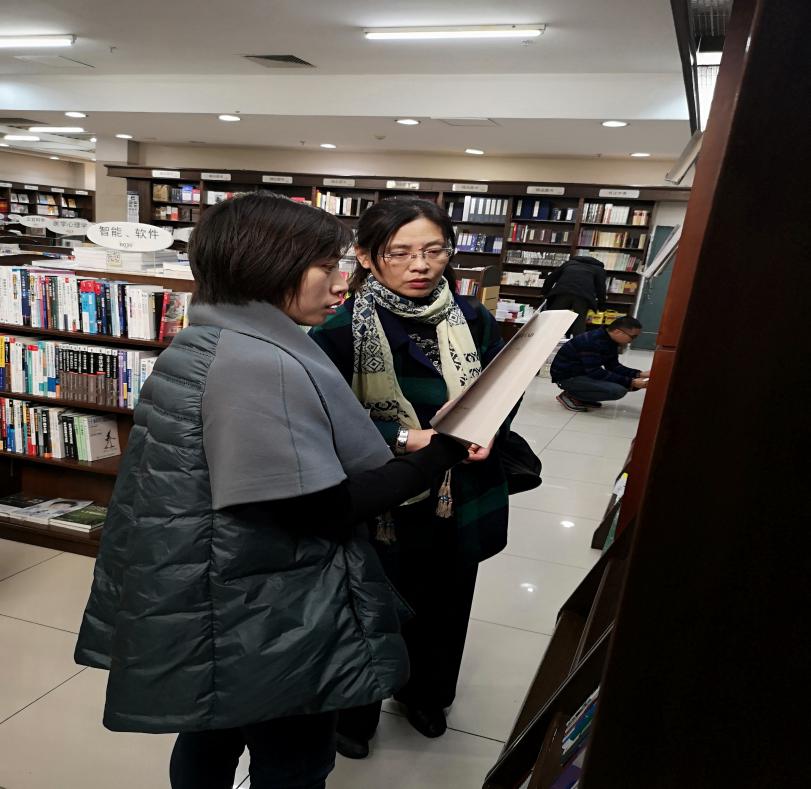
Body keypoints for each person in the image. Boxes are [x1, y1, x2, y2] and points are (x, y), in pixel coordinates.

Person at [73, 193, 472, 789]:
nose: (341, 283)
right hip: (263, 603)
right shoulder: (260, 361)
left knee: (211, 726)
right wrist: (440, 452)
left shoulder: (209, 333)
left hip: (216, 585)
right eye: (326, 266)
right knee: (295, 756)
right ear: (272, 266)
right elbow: (323, 509)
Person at [310, 197, 511, 759]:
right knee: (367, 604)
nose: (419, 265)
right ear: (368, 259)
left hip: (458, 489)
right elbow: (323, 415)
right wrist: (400, 438)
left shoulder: (474, 318)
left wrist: (491, 427)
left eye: (433, 250)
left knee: (447, 600)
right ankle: (355, 711)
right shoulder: (339, 326)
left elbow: (503, 386)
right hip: (379, 496)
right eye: (399, 253)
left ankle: (427, 695)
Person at [551, 315, 651, 412]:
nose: (632, 341)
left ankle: (581, 396)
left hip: (583, 373)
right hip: (567, 377)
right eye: (633, 337)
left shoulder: (610, 340)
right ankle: (570, 395)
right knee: (618, 390)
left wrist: (640, 374)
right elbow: (595, 372)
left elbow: (613, 366)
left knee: (631, 385)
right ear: (618, 332)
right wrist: (631, 381)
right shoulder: (592, 341)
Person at [541, 254, 607, 335]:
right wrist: (601, 305)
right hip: (583, 296)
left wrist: (545, 293)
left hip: (563, 292)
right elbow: (601, 288)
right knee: (579, 320)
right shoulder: (599, 269)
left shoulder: (569, 264)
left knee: (554, 318)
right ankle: (578, 343)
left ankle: (546, 338)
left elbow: (550, 278)